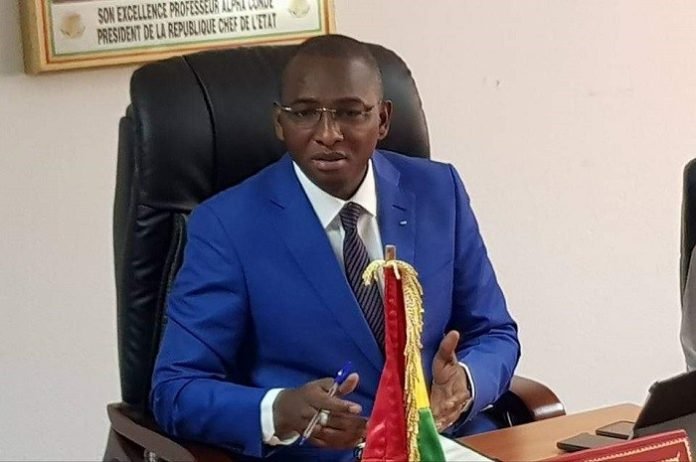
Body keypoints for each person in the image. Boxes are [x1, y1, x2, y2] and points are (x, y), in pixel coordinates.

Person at [150, 34, 520, 462]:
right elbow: (175, 390)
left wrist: (465, 384)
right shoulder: (227, 225)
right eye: (305, 113)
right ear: (279, 122)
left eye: (350, 113)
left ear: (383, 119)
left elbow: (494, 332)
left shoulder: (439, 191)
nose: (327, 134)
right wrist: (279, 411)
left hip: (446, 445)